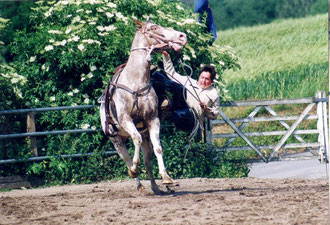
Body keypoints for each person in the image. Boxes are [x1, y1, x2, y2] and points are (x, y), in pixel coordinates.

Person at [151, 51, 219, 133]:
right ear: (199, 76)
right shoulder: (189, 81)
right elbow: (172, 74)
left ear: (211, 81)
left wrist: (206, 109)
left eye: (207, 79)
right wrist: (166, 56)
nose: (203, 81)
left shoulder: (213, 93)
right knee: (178, 86)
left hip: (192, 119)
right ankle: (153, 73)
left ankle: (168, 115)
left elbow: (214, 115)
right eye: (202, 77)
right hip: (178, 107)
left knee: (183, 113)